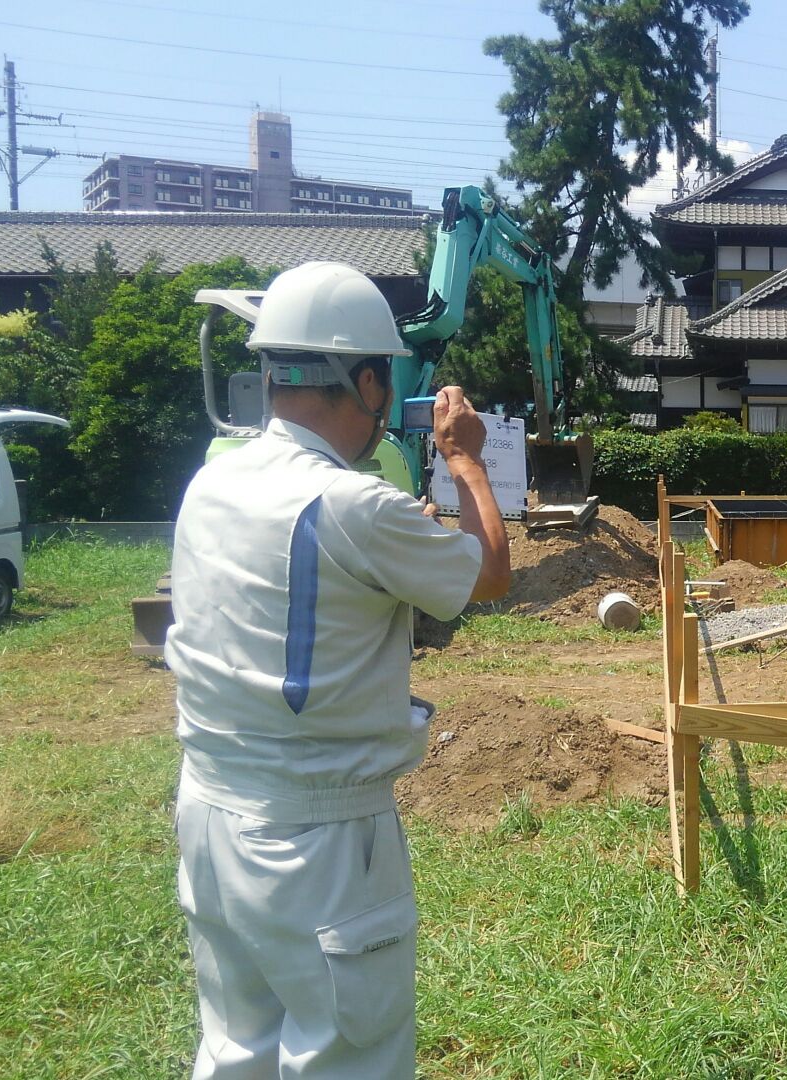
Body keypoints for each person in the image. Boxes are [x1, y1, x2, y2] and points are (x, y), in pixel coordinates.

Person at [165, 261, 510, 1078]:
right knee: (347, 1057)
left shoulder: (211, 483)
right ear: (363, 382)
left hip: (210, 807)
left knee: (237, 1045)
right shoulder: (354, 506)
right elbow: (489, 574)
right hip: (317, 834)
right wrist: (465, 463)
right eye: (384, 380)